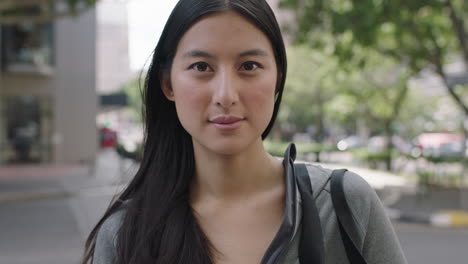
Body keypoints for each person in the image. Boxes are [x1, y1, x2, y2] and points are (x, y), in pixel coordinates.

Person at [82, 0, 408, 263]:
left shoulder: (343, 205)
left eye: (249, 66)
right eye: (201, 67)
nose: (225, 95)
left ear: (278, 79)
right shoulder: (127, 233)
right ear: (168, 83)